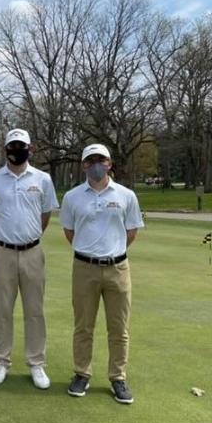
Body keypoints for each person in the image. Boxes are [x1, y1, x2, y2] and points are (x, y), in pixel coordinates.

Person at [60, 143, 144, 404]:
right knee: (83, 326)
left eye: (101, 160)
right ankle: (81, 373)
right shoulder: (72, 197)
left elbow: (131, 231)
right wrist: (92, 252)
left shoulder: (125, 195)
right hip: (84, 267)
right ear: (84, 165)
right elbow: (69, 232)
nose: (96, 164)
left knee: (119, 328)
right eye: (91, 160)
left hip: (118, 267)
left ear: (109, 163)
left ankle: (118, 377)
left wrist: (112, 252)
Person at [0, 129, 58, 389]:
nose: (17, 150)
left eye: (22, 146)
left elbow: (45, 214)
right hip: (3, 251)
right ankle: (1, 361)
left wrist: (29, 236)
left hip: (33, 252)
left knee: (34, 311)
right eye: (13, 146)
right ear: (5, 150)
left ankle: (36, 363)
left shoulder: (43, 179)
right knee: (2, 310)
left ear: (31, 148)